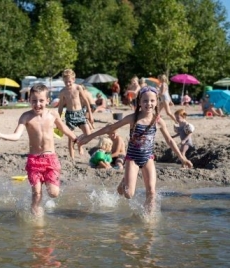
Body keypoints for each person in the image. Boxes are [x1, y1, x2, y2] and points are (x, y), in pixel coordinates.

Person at [77, 86, 193, 214]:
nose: (149, 104)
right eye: (145, 101)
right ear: (139, 102)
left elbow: (170, 141)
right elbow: (109, 128)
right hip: (132, 158)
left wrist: (182, 158)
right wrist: (89, 137)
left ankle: (148, 220)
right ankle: (124, 183)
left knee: (151, 191)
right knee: (128, 194)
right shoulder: (133, 118)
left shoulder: (158, 121)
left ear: (157, 102)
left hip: (148, 158)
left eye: (152, 101)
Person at [0, 83, 78, 216]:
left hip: (50, 159)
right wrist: (0, 135)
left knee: (53, 193)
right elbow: (16, 135)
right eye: (34, 101)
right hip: (34, 160)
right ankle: (36, 217)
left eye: (41, 100)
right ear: (29, 100)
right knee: (36, 193)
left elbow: (64, 129)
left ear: (48, 100)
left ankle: (45, 200)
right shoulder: (26, 117)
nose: (38, 104)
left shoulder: (53, 115)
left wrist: (76, 139)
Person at [57, 69, 93, 157]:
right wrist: (58, 119)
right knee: (70, 138)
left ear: (73, 79)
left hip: (80, 113)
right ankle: (72, 158)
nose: (68, 84)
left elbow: (86, 101)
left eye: (69, 81)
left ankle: (79, 143)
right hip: (70, 115)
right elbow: (61, 106)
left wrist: (90, 114)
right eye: (65, 82)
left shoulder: (78, 87)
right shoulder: (63, 92)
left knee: (88, 134)